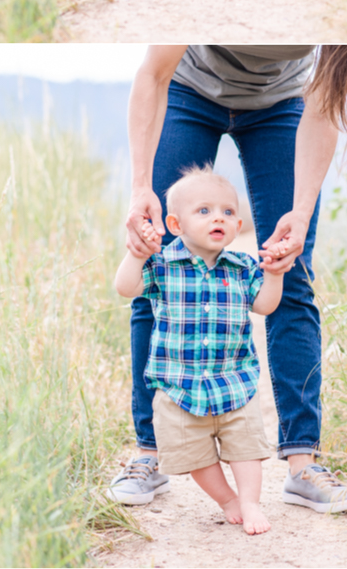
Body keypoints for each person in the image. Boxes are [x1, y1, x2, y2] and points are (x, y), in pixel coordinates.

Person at [107, 45, 347, 514]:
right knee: (159, 266)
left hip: (282, 103)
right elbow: (153, 73)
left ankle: (302, 462)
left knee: (292, 274)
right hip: (191, 89)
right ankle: (151, 452)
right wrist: (140, 188)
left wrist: (302, 213)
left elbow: (324, 104)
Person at [114, 166, 282, 535]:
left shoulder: (242, 268)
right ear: (176, 224)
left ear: (238, 225)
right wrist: (137, 254)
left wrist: (274, 274)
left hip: (233, 382)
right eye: (203, 211)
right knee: (196, 457)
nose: (217, 217)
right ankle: (228, 500)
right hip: (178, 389)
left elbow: (265, 306)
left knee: (246, 449)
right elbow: (126, 288)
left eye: (226, 211)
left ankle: (251, 502)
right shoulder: (162, 265)